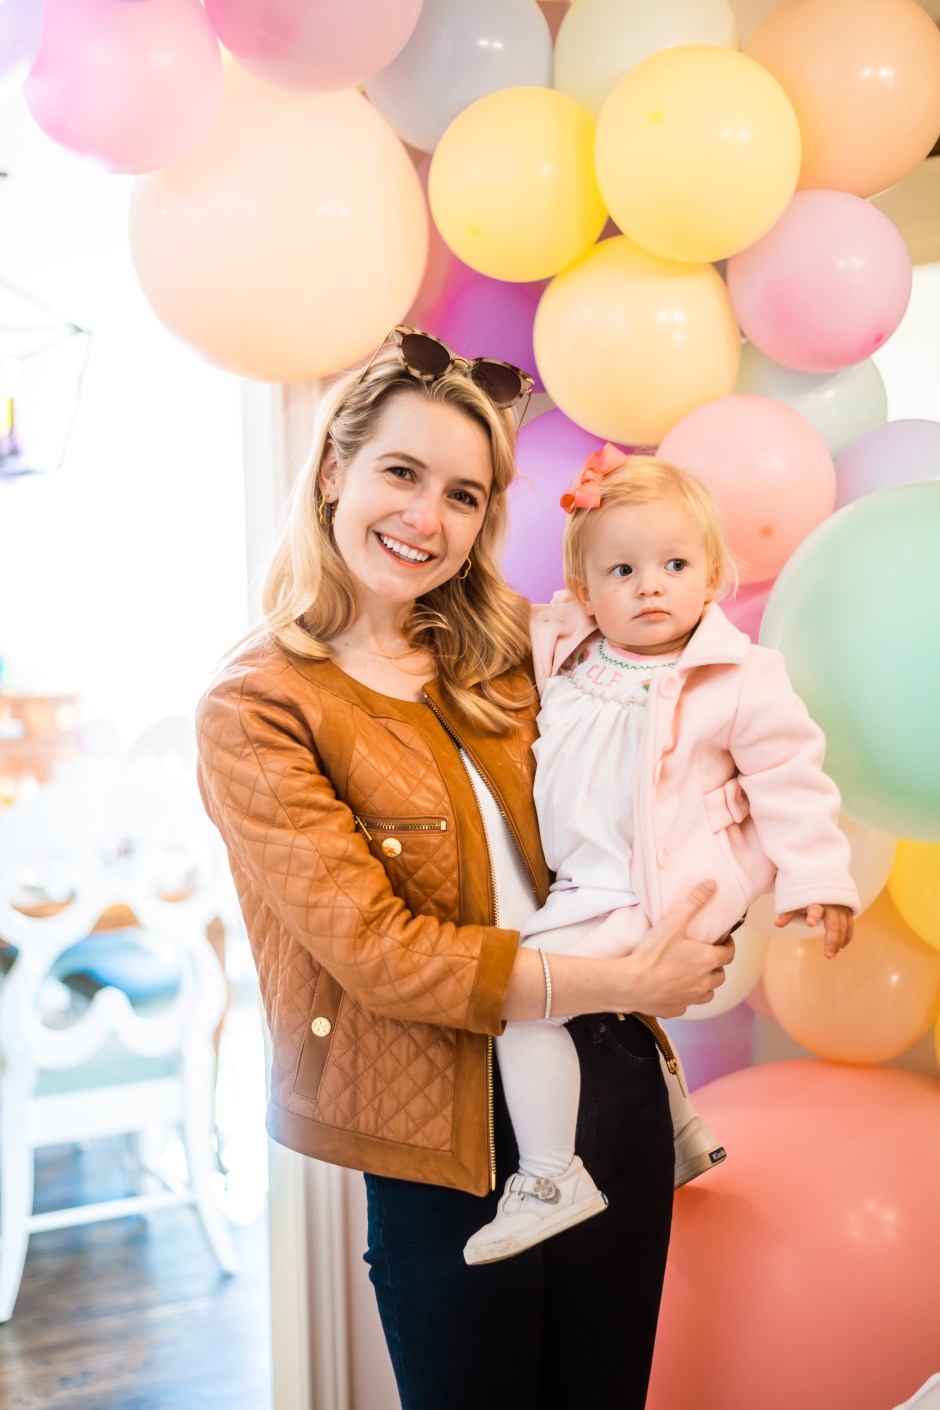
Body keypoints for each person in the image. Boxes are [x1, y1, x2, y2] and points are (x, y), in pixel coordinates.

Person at [195, 328, 736, 1410]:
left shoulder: (515, 651)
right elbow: (384, 960)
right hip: (442, 1134)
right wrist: (632, 980)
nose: (426, 520)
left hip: (611, 1088)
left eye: (464, 494)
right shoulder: (259, 708)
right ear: (336, 469)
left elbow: (662, 755)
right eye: (402, 473)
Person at [463, 448, 859, 1268]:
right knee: (592, 998)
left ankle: (548, 1175)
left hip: (668, 888)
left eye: (674, 564)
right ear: (583, 592)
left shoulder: (736, 677)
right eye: (622, 569)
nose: (650, 585)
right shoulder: (569, 656)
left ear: (712, 576)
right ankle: (674, 1122)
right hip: (587, 886)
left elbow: (791, 779)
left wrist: (817, 876)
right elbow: (488, 607)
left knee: (526, 998)